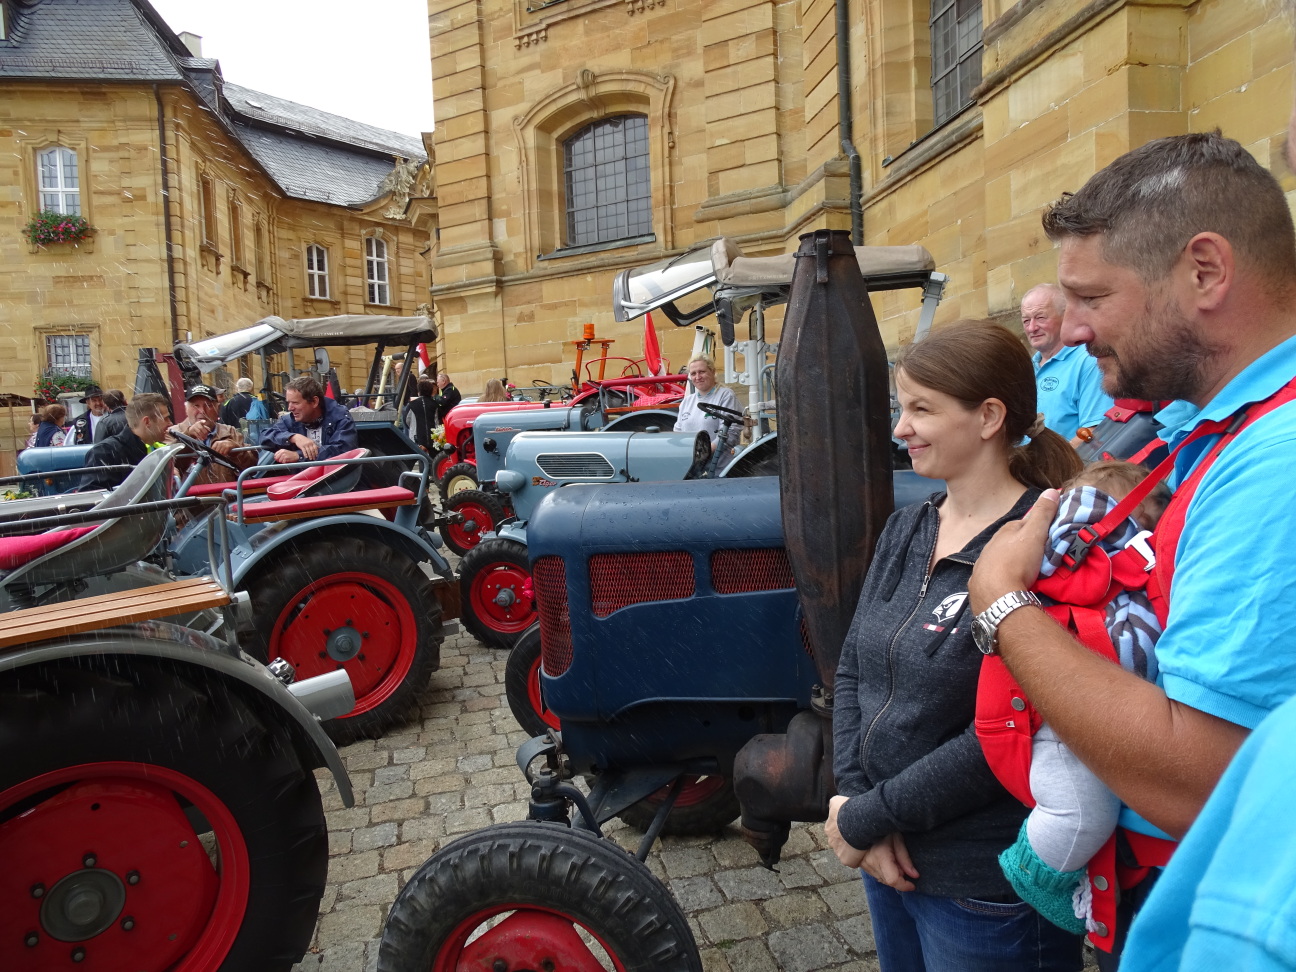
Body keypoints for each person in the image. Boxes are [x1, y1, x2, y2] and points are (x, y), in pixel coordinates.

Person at [969, 131, 1296, 966]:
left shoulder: (1277, 461)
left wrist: (1004, 606)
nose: (1072, 330)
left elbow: (1194, 779)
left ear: (1205, 272)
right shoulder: (1218, 423)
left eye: (1091, 297)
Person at [826, 320, 1084, 971]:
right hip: (889, 858)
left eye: (921, 410)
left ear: (989, 416)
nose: (900, 428)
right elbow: (853, 667)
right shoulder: (907, 527)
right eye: (901, 408)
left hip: (981, 887)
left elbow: (1012, 727)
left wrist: (866, 818)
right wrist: (853, 799)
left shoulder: (1040, 543)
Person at [998, 461, 1169, 935]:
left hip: (1047, 700)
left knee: (1082, 807)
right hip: (1073, 714)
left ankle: (1062, 869)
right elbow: (1134, 657)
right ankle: (1033, 870)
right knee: (1081, 815)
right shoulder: (1117, 554)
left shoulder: (1050, 543)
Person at [1022, 284, 1113, 444]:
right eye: (1026, 320)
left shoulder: (1089, 362)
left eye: (1041, 318)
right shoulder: (1026, 369)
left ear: (1066, 317)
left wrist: (1050, 461)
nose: (1032, 328)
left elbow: (1095, 433)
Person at [79, 393, 172, 491]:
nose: (170, 423)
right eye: (166, 418)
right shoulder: (104, 452)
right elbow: (91, 495)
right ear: (147, 422)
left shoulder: (159, 448)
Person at [259, 375, 358, 465]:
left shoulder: (340, 417)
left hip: (337, 477)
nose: (290, 408)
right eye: (288, 402)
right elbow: (264, 436)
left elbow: (342, 451)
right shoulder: (290, 419)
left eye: (295, 403)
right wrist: (293, 437)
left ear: (314, 402)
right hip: (302, 477)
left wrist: (298, 456)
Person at [169, 383, 255, 486]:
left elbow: (252, 467)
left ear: (217, 408)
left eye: (208, 405)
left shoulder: (230, 431)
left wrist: (235, 450)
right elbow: (168, 467)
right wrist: (188, 436)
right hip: (188, 496)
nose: (202, 411)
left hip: (226, 494)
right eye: (196, 405)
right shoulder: (173, 432)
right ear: (186, 409)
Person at [673, 355, 741, 467]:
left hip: (718, 468)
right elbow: (678, 434)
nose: (697, 377)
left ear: (712, 372)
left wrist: (704, 453)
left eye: (702, 372)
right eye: (693, 373)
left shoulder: (725, 395)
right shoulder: (687, 401)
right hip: (691, 466)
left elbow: (730, 433)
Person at [402, 377, 440, 453]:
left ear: (419, 391)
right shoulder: (435, 404)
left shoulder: (412, 404)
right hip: (433, 437)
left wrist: (412, 427)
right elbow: (437, 421)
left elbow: (406, 420)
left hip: (416, 437)